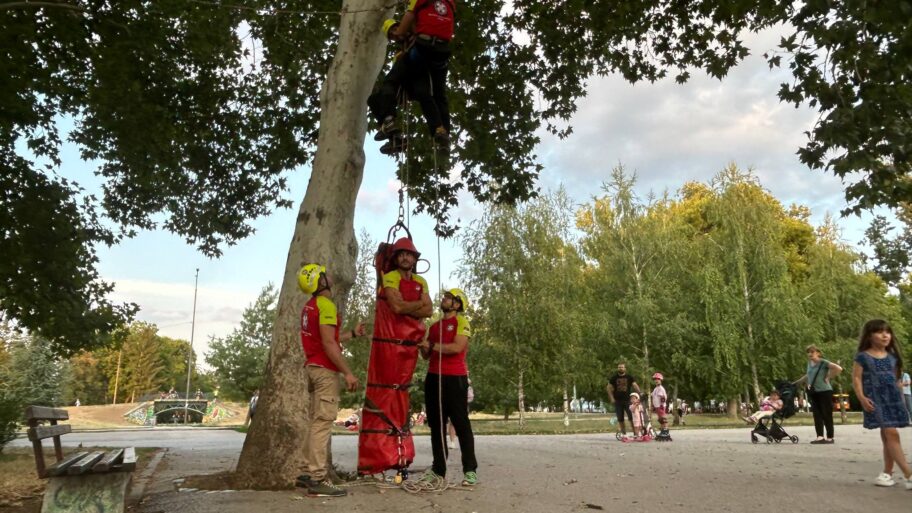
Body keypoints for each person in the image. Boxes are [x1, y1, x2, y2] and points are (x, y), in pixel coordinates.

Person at [295, 263, 366, 497]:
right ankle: (317, 478)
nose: (329, 275)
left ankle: (306, 473)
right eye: (324, 274)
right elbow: (328, 344)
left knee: (315, 421)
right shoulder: (325, 305)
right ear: (321, 281)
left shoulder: (310, 306)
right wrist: (347, 372)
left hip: (312, 367)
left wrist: (352, 334)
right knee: (323, 422)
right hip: (325, 370)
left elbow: (328, 337)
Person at [369, 0, 456, 155]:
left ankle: (440, 130)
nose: (395, 34)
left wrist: (403, 30)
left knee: (428, 95)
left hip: (422, 62)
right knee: (375, 99)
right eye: (391, 35)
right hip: (415, 76)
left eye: (394, 29)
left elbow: (412, 20)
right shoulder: (401, 54)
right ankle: (394, 134)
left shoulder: (415, 33)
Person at [417, 288, 478, 487]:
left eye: (448, 298)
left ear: (457, 304)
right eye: (444, 297)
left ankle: (470, 470)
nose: (443, 300)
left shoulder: (462, 323)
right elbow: (427, 356)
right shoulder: (434, 326)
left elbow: (456, 348)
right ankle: (438, 470)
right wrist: (423, 348)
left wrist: (431, 345)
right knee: (436, 425)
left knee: (461, 423)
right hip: (434, 378)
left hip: (455, 378)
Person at [851, 319, 911, 489]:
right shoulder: (863, 356)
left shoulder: (892, 357)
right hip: (875, 400)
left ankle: (887, 473)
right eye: (880, 332)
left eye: (888, 332)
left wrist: (899, 386)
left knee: (887, 437)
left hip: (893, 399)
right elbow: (856, 378)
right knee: (892, 434)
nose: (885, 335)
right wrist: (861, 397)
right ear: (870, 336)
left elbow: (894, 377)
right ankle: (909, 474)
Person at [793, 344, 843, 444]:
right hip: (814, 392)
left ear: (818, 353)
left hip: (825, 391)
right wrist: (796, 383)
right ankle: (820, 437)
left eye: (812, 352)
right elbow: (808, 375)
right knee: (817, 414)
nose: (810, 354)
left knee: (826, 414)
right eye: (808, 352)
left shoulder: (823, 362)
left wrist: (828, 376)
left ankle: (830, 437)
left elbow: (838, 368)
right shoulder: (809, 363)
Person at [606, 363, 641, 436]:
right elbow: (608, 388)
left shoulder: (629, 377)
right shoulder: (614, 378)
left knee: (631, 417)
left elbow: (635, 385)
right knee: (620, 418)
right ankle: (623, 433)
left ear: (625, 368)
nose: (621, 368)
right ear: (617, 368)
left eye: (622, 367)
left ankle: (635, 433)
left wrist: (640, 393)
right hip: (618, 401)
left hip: (628, 400)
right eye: (619, 367)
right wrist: (612, 398)